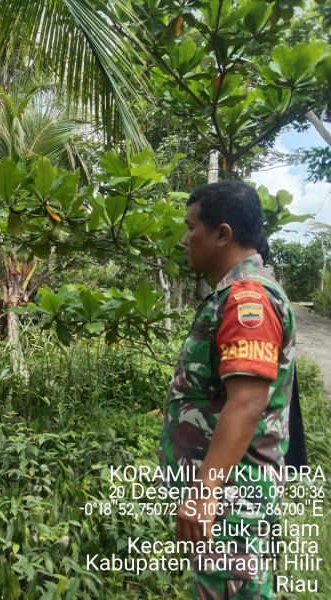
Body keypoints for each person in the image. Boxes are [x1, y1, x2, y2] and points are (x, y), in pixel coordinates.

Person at [158, 181, 296, 600]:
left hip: (233, 499)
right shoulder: (232, 293)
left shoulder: (246, 298)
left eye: (191, 227)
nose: (184, 239)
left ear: (222, 234)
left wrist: (204, 495)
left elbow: (248, 403)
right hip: (228, 495)